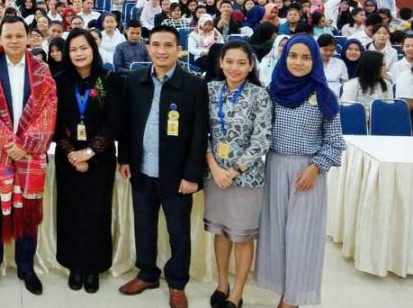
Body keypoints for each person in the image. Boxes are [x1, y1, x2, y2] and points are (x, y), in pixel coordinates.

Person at [117, 25, 208, 308]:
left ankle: (177, 282)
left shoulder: (194, 85)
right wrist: (125, 158)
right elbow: (126, 124)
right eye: (155, 45)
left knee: (178, 231)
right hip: (142, 170)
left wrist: (192, 174)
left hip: (177, 175)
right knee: (144, 226)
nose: (161, 51)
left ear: (178, 49)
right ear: (148, 48)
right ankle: (148, 273)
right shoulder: (134, 80)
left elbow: (199, 134)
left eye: (168, 45)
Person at [256, 34, 345, 308]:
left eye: (306, 57)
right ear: (284, 57)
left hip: (307, 173)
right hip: (274, 166)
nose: (298, 62)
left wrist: (315, 167)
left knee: (302, 236)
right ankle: (284, 288)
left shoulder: (324, 95)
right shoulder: (272, 91)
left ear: (315, 61)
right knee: (276, 234)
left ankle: (293, 299)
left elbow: (335, 142)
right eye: (293, 56)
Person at [0, 16, 57, 296]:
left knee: (28, 214)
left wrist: (26, 145)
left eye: (19, 35)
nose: (13, 41)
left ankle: (26, 267)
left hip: (29, 155)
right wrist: (10, 144)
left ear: (29, 37)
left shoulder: (42, 70)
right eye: (8, 36)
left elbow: (48, 110)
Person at [53, 29, 123, 293]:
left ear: (93, 49)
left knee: (96, 211)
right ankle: (75, 265)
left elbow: (113, 121)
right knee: (70, 210)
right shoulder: (59, 80)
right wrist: (72, 153)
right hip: (67, 157)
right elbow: (55, 121)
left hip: (100, 158)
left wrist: (90, 153)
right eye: (73, 50)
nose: (78, 54)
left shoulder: (109, 79)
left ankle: (93, 266)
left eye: (83, 48)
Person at [204, 42, 273, 308]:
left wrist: (232, 171)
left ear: (251, 65)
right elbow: (201, 132)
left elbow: (262, 139)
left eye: (241, 63)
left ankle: (237, 292)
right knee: (221, 233)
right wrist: (214, 168)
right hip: (215, 176)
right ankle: (222, 284)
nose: (235, 67)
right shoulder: (209, 90)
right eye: (229, 61)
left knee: (242, 236)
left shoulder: (260, 95)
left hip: (247, 178)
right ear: (221, 63)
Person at [339, 50, 393, 118]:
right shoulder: (352, 85)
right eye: (383, 65)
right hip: (360, 123)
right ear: (372, 66)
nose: (386, 68)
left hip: (383, 122)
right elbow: (347, 110)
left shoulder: (387, 83)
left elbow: (390, 108)